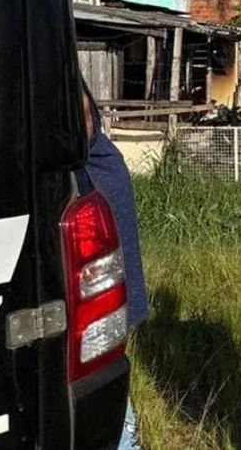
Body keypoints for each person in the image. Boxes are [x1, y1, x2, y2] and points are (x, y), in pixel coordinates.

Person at [79, 84, 150, 449]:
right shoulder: (100, 162)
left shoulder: (97, 169)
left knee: (103, 396)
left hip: (100, 311)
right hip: (101, 309)